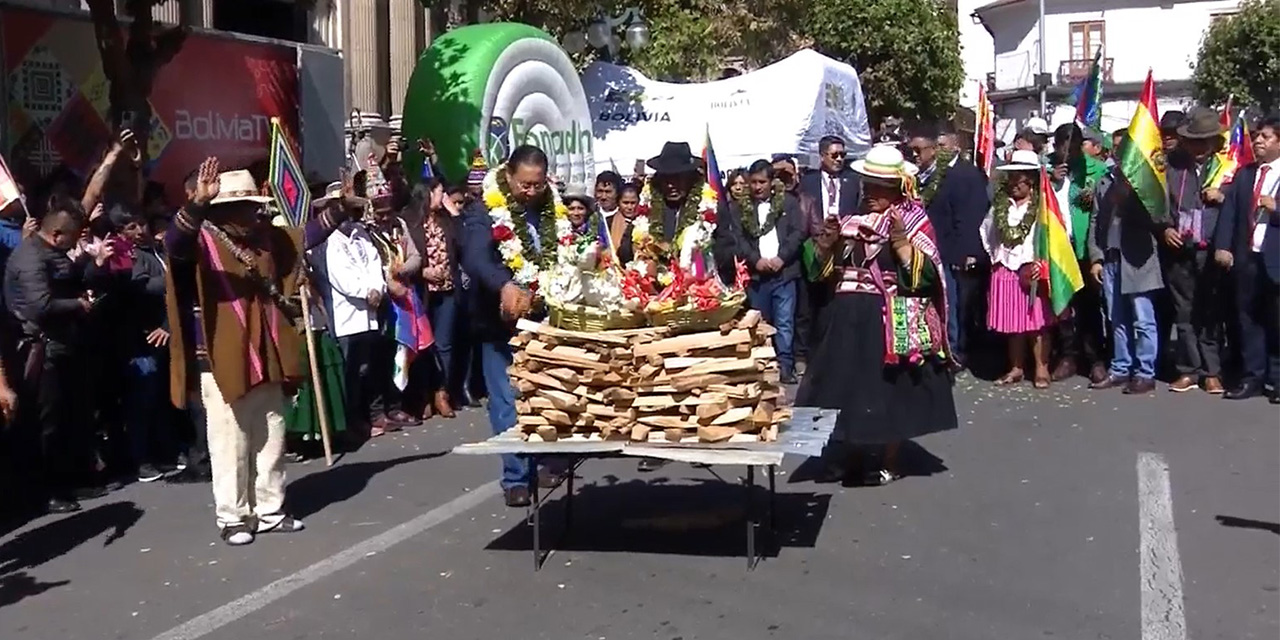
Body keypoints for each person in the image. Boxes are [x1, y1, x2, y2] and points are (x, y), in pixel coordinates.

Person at [163, 159, 348, 545]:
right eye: (244, 205)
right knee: (230, 438)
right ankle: (233, 516)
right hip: (218, 353)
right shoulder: (200, 239)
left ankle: (270, 509)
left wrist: (341, 208)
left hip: (266, 348)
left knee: (271, 433)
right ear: (223, 209)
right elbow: (173, 243)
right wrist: (196, 205)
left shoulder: (265, 238)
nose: (253, 211)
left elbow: (304, 236)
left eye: (253, 204)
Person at [796, 144, 956, 485]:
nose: (870, 192)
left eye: (879, 186)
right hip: (846, 318)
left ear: (898, 188)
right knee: (846, 385)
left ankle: (889, 459)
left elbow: (927, 277)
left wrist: (900, 246)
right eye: (867, 184)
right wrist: (826, 244)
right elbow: (820, 273)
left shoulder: (914, 224)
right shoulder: (851, 223)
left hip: (887, 319)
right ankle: (850, 455)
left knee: (887, 390)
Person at [459, 144, 563, 507]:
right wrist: (503, 284)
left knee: (547, 394)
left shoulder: (552, 209)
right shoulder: (484, 210)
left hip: (545, 319)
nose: (531, 192)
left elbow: (558, 251)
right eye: (524, 185)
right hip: (499, 324)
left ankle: (547, 460)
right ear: (507, 176)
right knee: (508, 401)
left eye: (537, 185)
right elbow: (474, 255)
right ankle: (517, 477)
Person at [4, 196, 110, 513]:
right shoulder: (29, 258)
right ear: (57, 234)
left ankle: (71, 479)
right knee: (45, 424)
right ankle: (45, 491)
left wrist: (91, 265)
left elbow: (70, 278)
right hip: (41, 349)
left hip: (67, 346)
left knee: (69, 418)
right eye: (73, 238)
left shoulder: (54, 253)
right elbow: (41, 305)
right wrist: (79, 305)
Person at [908, 124, 991, 370]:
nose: (914, 155)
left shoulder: (960, 175)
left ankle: (956, 350)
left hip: (951, 251)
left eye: (918, 150)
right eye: (910, 150)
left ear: (934, 150)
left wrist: (967, 252)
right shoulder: (918, 178)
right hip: (926, 250)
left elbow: (969, 216)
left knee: (954, 304)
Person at [716, 159, 805, 383]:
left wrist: (781, 258)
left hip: (784, 274)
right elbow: (738, 239)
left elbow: (798, 233)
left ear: (771, 181)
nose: (757, 187)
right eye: (753, 182)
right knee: (760, 323)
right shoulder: (739, 208)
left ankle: (785, 366)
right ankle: (763, 366)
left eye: (762, 182)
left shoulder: (788, 203)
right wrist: (756, 261)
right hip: (757, 277)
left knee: (785, 323)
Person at [1214, 113, 1280, 403]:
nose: (1258, 141)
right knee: (1248, 318)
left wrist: (1276, 209)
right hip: (1247, 258)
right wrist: (1223, 246)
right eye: (1256, 136)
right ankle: (1253, 376)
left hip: (1276, 259)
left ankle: (1278, 380)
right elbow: (1230, 214)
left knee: (1277, 321)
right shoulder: (1245, 174)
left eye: (1265, 137)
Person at [1162, 107, 1227, 394]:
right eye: (1194, 141)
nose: (1198, 148)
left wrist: (1222, 197)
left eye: (1204, 142)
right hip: (1180, 250)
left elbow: (1241, 207)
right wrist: (1164, 228)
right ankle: (1189, 369)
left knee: (1211, 312)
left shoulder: (1228, 168)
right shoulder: (1171, 167)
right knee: (1184, 311)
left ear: (1214, 142)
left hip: (1213, 250)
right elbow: (1158, 204)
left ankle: (1212, 370)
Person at [982, 150, 1057, 388]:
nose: (1014, 184)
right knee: (1012, 322)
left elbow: (1057, 234)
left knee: (1037, 323)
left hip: (1032, 266)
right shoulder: (1000, 204)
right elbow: (987, 231)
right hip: (1005, 266)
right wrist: (997, 257)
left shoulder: (1044, 203)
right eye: (1011, 178)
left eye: (1019, 178)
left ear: (1031, 180)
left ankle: (1041, 368)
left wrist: (1042, 262)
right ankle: (1016, 367)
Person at [1087, 167, 1163, 394]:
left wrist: (1129, 197)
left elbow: (1158, 216)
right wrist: (1096, 257)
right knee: (1116, 317)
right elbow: (1095, 221)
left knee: (1143, 318)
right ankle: (1121, 367)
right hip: (1111, 257)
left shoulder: (1147, 183)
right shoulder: (1105, 182)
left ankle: (1145, 373)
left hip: (1138, 258)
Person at [418, 178, 461, 420]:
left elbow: (464, 239)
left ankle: (442, 393)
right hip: (424, 291)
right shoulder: (414, 222)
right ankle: (423, 395)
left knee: (445, 344)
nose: (442, 197)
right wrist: (422, 272)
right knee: (424, 346)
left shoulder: (447, 221)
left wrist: (453, 212)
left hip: (447, 289)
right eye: (439, 193)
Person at [608, 182, 641, 265]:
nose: (629, 207)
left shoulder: (645, 223)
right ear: (618, 202)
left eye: (633, 203)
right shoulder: (608, 223)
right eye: (625, 203)